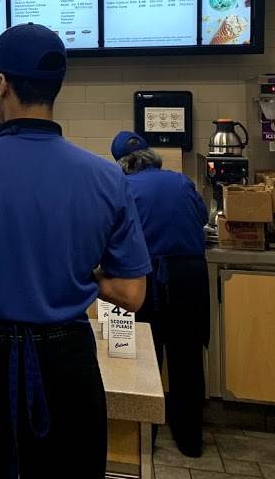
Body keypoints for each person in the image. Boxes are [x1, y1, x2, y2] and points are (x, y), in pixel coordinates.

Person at [0, 24, 151, 478]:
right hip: (69, 369)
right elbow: (132, 294)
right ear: (56, 88)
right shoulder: (107, 177)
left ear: (2, 84)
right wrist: (80, 274)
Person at [111, 130, 209, 457]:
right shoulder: (181, 181)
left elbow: (115, 234)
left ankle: (144, 439)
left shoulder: (124, 188)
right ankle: (190, 440)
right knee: (187, 357)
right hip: (190, 276)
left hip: (147, 277)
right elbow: (202, 219)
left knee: (145, 358)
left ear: (122, 163)